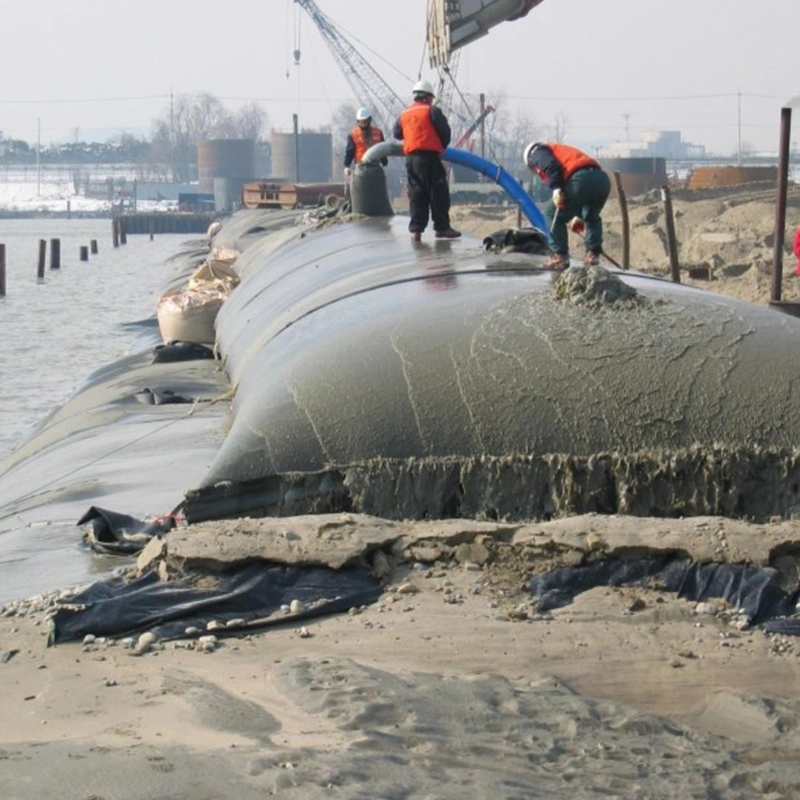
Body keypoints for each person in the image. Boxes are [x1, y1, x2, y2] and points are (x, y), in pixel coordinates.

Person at [523, 141, 611, 270]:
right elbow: (584, 193)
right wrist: (579, 216)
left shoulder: (536, 152)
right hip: (601, 179)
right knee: (592, 217)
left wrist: (556, 189)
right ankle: (593, 255)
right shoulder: (560, 150)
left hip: (581, 178)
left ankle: (559, 256)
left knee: (551, 214)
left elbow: (551, 166)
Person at [393, 79, 460, 241]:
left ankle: (417, 231)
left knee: (417, 194)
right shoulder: (433, 111)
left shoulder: (404, 114)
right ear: (429, 96)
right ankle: (442, 228)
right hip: (429, 158)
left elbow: (397, 134)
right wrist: (440, 148)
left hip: (410, 160)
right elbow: (445, 133)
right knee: (438, 193)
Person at [343, 107, 387, 177]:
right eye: (361, 122)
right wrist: (346, 166)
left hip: (375, 167)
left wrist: (385, 163)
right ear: (358, 121)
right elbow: (349, 152)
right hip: (360, 169)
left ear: (369, 120)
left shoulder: (378, 133)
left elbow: (382, 150)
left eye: (365, 121)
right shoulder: (353, 134)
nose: (363, 124)